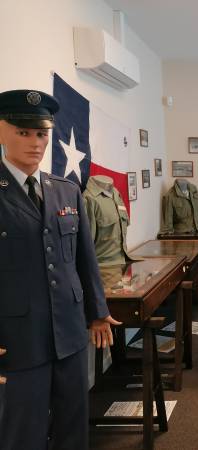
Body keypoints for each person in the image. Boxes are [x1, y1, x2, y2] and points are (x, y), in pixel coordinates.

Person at [0, 89, 120, 449]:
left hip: (69, 334)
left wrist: (98, 313)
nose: (35, 143)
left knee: (73, 428)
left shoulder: (66, 190)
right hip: (18, 339)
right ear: (1, 131)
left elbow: (85, 260)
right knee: (23, 433)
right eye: (23, 132)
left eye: (41, 134)